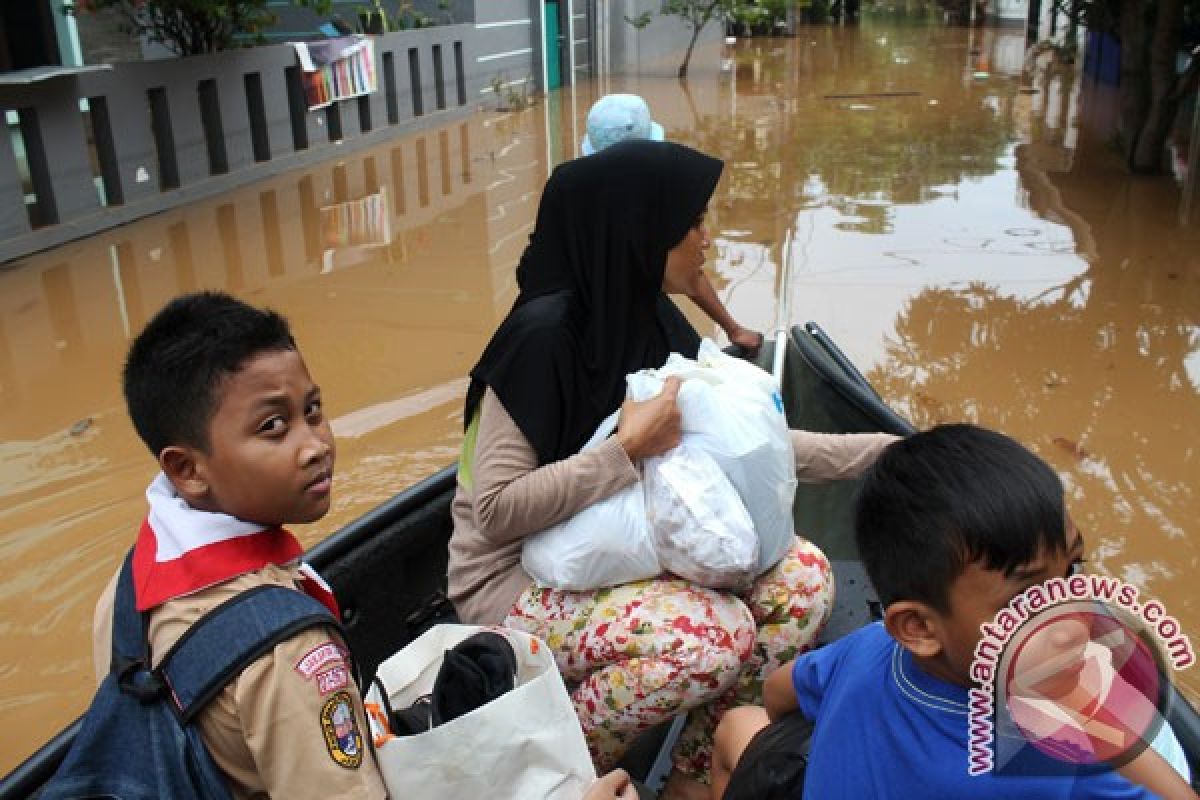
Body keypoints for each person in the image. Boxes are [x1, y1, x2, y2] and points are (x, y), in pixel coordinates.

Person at [448, 139, 897, 796]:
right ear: (640, 231)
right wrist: (625, 452)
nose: (706, 240)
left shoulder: (652, 316)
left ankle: (693, 776)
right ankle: (569, 778)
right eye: (691, 224)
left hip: (618, 544)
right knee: (712, 638)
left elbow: (749, 447)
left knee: (803, 581)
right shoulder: (541, 339)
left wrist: (883, 452)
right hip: (512, 582)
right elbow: (495, 511)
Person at [711, 424, 1197, 800]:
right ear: (919, 627)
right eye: (1027, 601)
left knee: (738, 725)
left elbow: (779, 692)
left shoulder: (870, 646)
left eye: (1072, 570)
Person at [90, 291, 386, 798]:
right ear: (187, 469)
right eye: (273, 427)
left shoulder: (126, 588)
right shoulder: (292, 657)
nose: (315, 445)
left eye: (312, 409)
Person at [580, 93, 765, 357]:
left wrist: (733, 329)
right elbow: (690, 268)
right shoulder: (657, 201)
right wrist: (733, 329)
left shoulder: (575, 198)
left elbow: (688, 266)